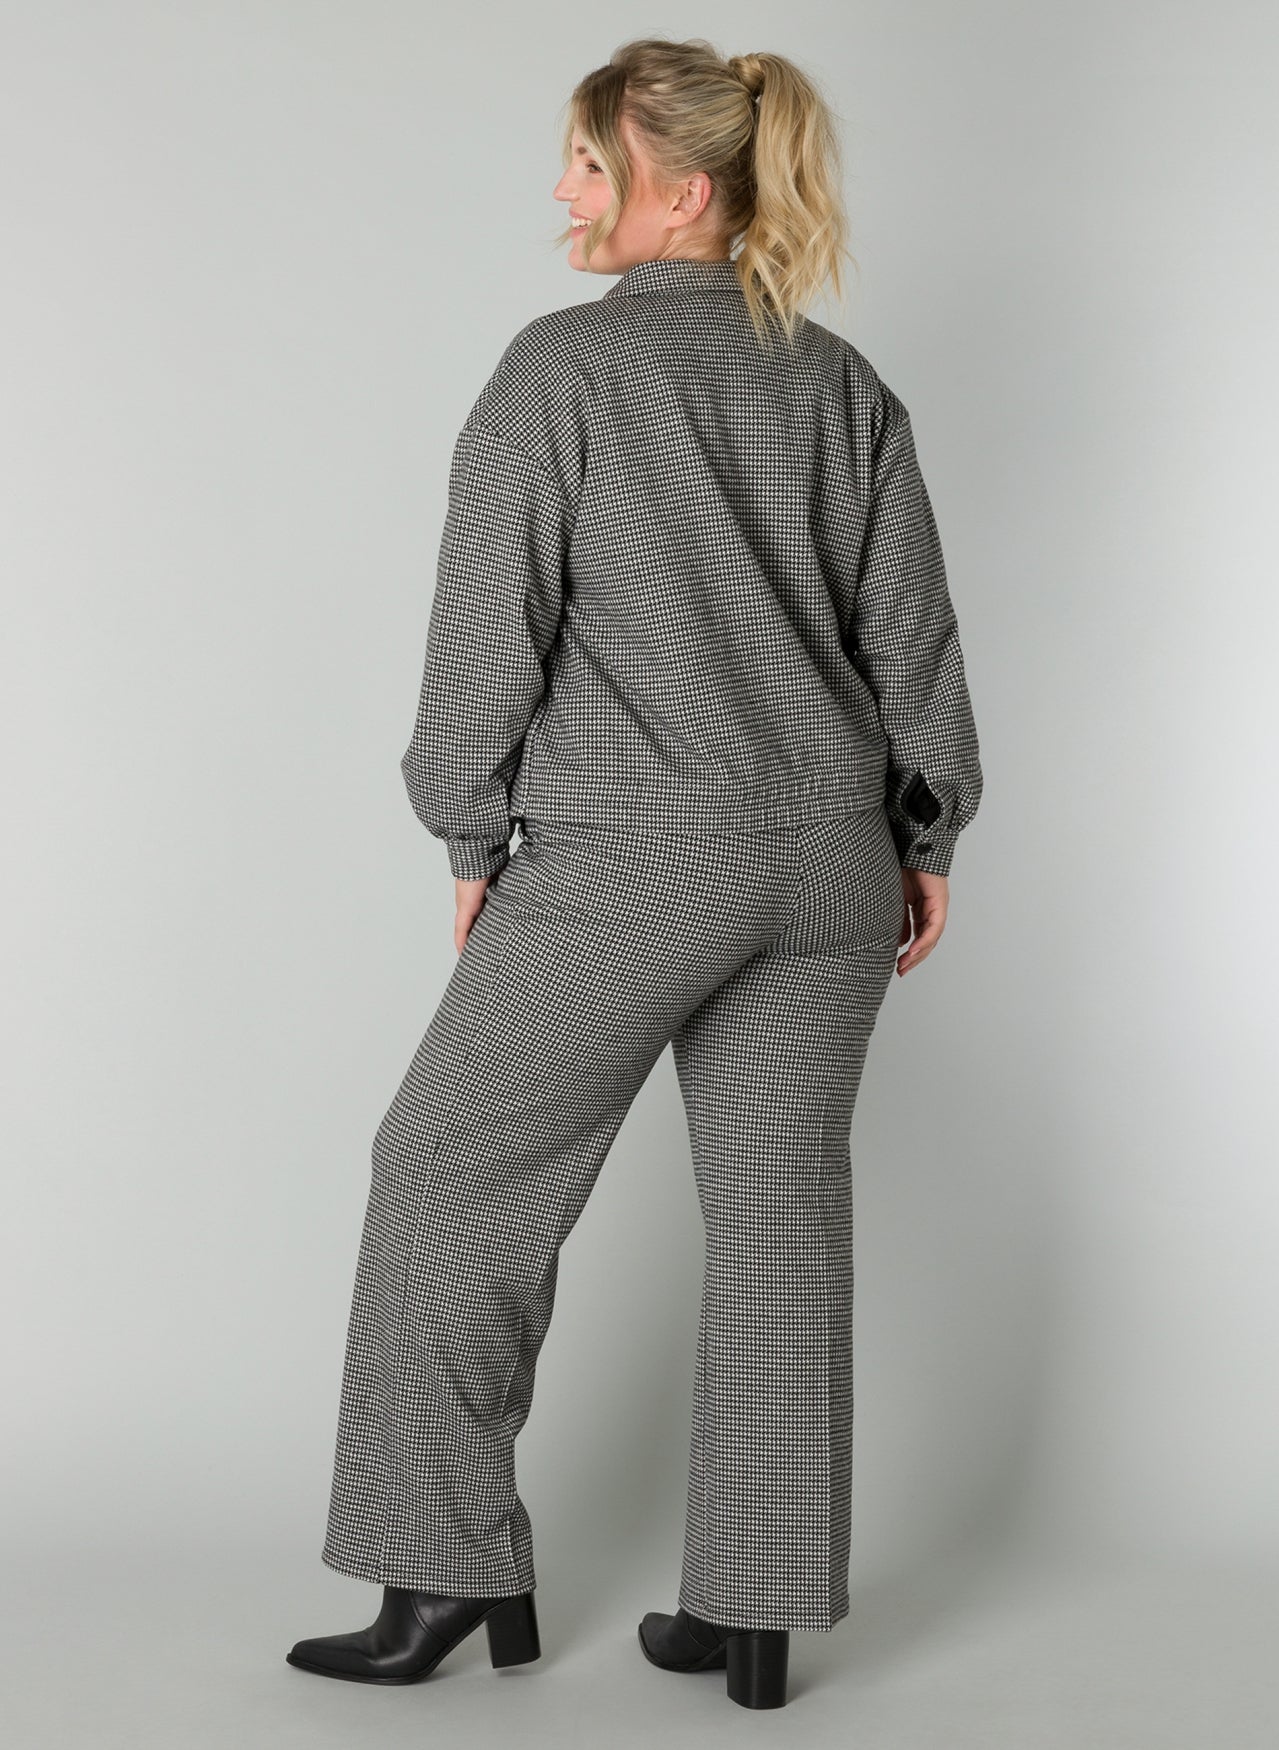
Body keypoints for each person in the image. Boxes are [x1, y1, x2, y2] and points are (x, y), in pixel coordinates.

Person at [285, 36, 983, 1712]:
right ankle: (754, 1612)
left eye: (589, 165)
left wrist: (471, 831)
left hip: (637, 858)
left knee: (448, 1170)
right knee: (780, 1212)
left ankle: (443, 1569)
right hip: (830, 866)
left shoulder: (560, 373)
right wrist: (923, 834)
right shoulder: (842, 385)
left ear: (679, 189)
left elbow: (486, 642)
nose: (563, 192)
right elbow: (914, 644)